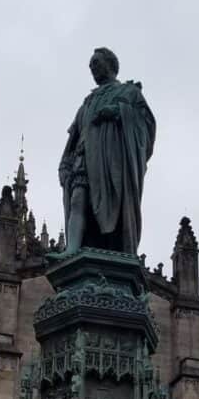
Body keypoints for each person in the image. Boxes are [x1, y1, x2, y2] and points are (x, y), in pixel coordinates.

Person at [58, 47, 156, 256]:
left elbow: (146, 125)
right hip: (84, 157)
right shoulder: (88, 101)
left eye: (96, 63)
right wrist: (65, 162)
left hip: (110, 163)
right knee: (77, 200)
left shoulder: (129, 92)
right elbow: (74, 134)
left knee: (112, 211)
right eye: (90, 65)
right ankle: (72, 248)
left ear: (110, 65)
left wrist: (119, 111)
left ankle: (115, 250)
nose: (92, 68)